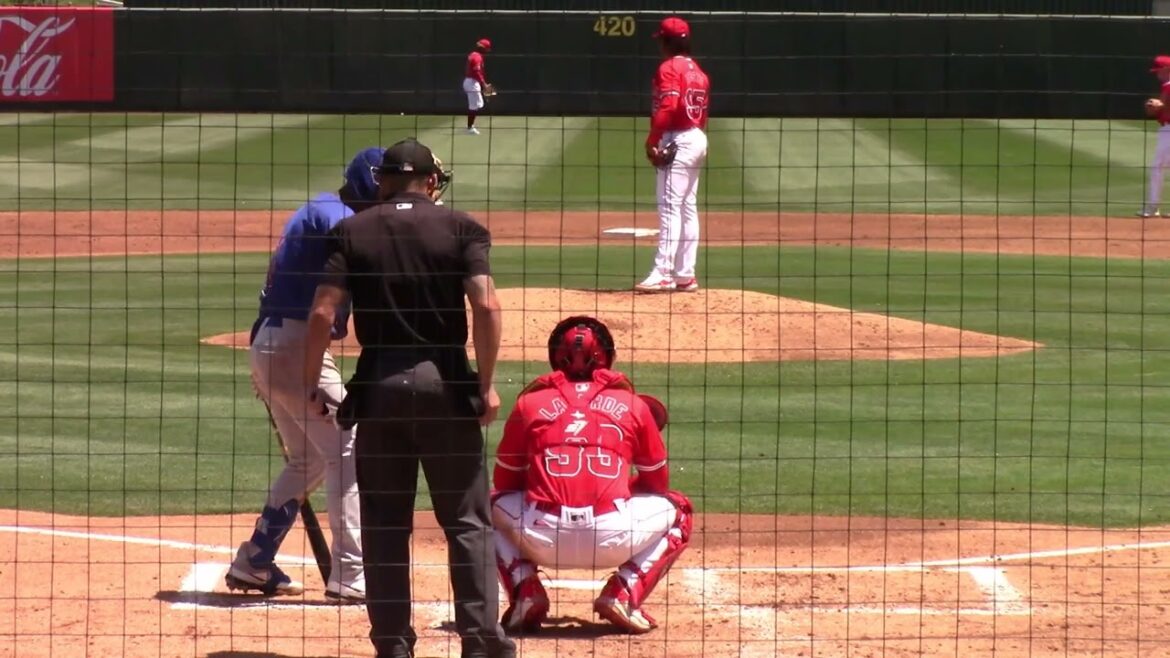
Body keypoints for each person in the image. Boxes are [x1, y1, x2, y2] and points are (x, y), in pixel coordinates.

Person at [303, 138, 516, 658]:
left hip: (378, 392)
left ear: (381, 182)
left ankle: (394, 645)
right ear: (431, 183)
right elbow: (486, 305)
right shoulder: (461, 227)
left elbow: (322, 315)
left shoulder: (351, 230)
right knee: (467, 523)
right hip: (445, 388)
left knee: (384, 523)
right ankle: (481, 641)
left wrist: (312, 382)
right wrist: (484, 383)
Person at [225, 147, 383, 602]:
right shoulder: (340, 222)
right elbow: (324, 309)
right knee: (348, 450)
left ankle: (254, 560)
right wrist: (310, 379)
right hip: (295, 345)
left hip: (271, 344)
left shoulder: (319, 207)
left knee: (310, 459)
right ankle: (351, 575)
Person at [490, 316, 693, 635]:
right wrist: (620, 487)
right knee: (680, 510)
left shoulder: (528, 404)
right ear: (608, 356)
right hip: (614, 536)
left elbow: (504, 483)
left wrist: (545, 483)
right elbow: (658, 485)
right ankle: (623, 592)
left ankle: (523, 590)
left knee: (484, 506)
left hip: (541, 536)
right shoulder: (633, 405)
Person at [637, 16, 711, 293]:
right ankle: (685, 274)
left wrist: (652, 140)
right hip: (696, 136)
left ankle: (664, 273)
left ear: (666, 42)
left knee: (670, 207)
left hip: (678, 137)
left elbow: (669, 105)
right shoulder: (699, 72)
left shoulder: (669, 67)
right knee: (687, 207)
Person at [1140, 55, 1170, 218]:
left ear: (1167, 69)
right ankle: (1153, 206)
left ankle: (1152, 207)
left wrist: (1158, 105)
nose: (1157, 74)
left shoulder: (1168, 86)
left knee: (1157, 167)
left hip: (1169, 131)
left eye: (1159, 70)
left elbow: (1164, 108)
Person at [463, 38, 493, 136]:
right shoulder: (477, 57)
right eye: (486, 49)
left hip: (471, 81)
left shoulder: (474, 54)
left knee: (478, 104)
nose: (487, 51)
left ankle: (470, 126)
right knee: (474, 106)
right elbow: (476, 72)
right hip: (471, 82)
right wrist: (484, 84)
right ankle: (470, 128)